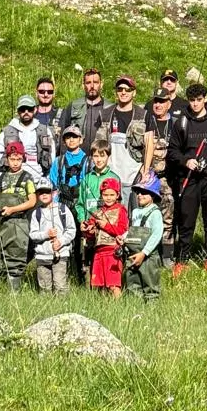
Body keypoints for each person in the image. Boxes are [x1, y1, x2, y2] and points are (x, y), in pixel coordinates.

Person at [167, 81, 207, 274]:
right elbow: (172, 151)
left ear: (205, 99)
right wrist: (186, 161)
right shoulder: (182, 122)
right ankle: (182, 260)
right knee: (186, 221)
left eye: (199, 99)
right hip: (188, 179)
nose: (195, 103)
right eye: (192, 100)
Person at [0, 141, 37, 289]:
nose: (15, 162)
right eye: (12, 159)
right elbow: (1, 200)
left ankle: (14, 290)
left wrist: (13, 209)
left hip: (18, 223)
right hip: (1, 222)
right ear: (7, 159)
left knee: (15, 254)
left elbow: (32, 201)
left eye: (18, 159)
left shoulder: (27, 177)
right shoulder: (2, 177)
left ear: (23, 158)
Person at [143, 85, 179, 272]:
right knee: (148, 216)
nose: (158, 105)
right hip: (150, 178)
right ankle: (149, 255)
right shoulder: (147, 122)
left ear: (169, 104)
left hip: (169, 179)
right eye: (156, 101)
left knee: (168, 218)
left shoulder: (177, 124)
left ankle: (167, 256)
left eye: (162, 102)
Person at [49, 125, 90, 283]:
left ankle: (81, 275)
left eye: (74, 137)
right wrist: (54, 207)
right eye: (68, 137)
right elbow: (53, 186)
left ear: (81, 140)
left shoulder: (88, 161)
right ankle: (63, 274)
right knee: (63, 239)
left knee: (81, 241)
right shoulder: (58, 161)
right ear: (64, 141)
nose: (71, 140)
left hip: (80, 204)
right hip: (63, 203)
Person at [105, 74, 154, 205]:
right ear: (116, 92)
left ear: (134, 92)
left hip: (134, 174)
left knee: (133, 212)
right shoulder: (106, 114)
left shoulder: (144, 115)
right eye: (120, 89)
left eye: (128, 89)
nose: (123, 92)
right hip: (111, 174)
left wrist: (146, 170)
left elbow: (149, 143)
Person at [28, 177, 77, 293]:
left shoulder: (63, 209)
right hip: (42, 255)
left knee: (60, 285)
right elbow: (33, 234)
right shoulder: (36, 213)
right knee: (44, 288)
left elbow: (71, 230)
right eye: (41, 192)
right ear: (37, 195)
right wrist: (46, 234)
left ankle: (62, 304)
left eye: (47, 191)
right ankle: (46, 304)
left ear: (54, 193)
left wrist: (61, 242)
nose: (44, 194)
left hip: (60, 254)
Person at [0, 94, 50, 188]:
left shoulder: (44, 130)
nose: (26, 112)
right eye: (22, 109)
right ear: (18, 111)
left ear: (35, 110)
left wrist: (48, 181)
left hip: (39, 182)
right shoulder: (6, 132)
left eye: (29, 109)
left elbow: (51, 156)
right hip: (13, 183)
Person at [83, 175, 127, 294]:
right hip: (98, 252)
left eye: (112, 195)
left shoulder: (121, 209)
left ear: (117, 195)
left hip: (113, 251)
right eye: (105, 195)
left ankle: (119, 304)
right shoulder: (97, 212)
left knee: (114, 285)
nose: (108, 198)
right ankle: (104, 305)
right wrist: (88, 230)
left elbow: (122, 231)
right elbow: (90, 235)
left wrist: (105, 225)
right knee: (100, 286)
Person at [125, 176, 166, 299]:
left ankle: (151, 307)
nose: (140, 195)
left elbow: (157, 234)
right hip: (133, 253)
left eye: (144, 192)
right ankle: (134, 306)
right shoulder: (135, 212)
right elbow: (132, 230)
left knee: (150, 285)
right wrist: (123, 237)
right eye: (138, 192)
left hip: (149, 256)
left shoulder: (155, 212)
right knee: (132, 284)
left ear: (153, 195)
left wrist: (144, 253)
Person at [64, 68, 110, 154]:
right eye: (88, 83)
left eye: (95, 82)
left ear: (101, 84)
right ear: (83, 85)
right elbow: (64, 135)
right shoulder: (73, 106)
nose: (92, 86)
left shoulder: (110, 108)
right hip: (78, 158)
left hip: (101, 158)